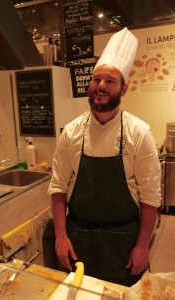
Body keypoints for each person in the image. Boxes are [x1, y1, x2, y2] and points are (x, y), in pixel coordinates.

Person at [48, 27, 161, 287]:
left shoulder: (139, 134)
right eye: (96, 79)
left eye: (110, 81)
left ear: (123, 89)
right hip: (79, 242)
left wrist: (143, 246)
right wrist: (61, 237)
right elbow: (58, 189)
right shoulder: (72, 132)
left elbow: (150, 199)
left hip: (124, 243)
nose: (100, 86)